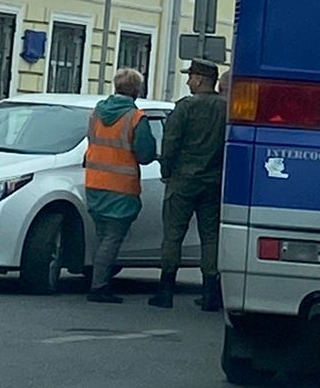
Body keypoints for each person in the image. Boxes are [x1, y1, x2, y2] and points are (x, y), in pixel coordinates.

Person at [149, 59, 228, 311]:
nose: (187, 81)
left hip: (182, 181)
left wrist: (166, 171)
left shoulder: (184, 108)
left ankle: (165, 290)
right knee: (210, 237)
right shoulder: (226, 108)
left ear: (201, 79)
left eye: (191, 76)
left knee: (173, 235)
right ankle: (209, 294)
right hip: (214, 181)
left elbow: (170, 143)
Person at [83, 67, 158, 304]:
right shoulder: (136, 117)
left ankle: (97, 279)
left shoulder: (96, 112)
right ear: (137, 90)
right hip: (121, 186)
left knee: (102, 234)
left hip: (94, 182)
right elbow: (145, 154)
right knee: (112, 237)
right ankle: (98, 286)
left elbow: (90, 139)